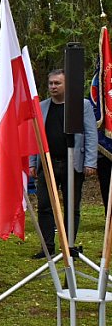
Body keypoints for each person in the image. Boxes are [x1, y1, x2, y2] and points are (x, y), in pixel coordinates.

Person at [30, 69, 97, 258]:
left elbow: (90, 135)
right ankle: (47, 247)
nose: (53, 87)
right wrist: (32, 163)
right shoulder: (41, 107)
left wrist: (90, 162)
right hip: (47, 165)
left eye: (57, 83)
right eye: (51, 83)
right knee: (44, 205)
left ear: (66, 85)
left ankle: (69, 245)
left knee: (72, 206)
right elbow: (35, 137)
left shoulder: (81, 106)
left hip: (72, 164)